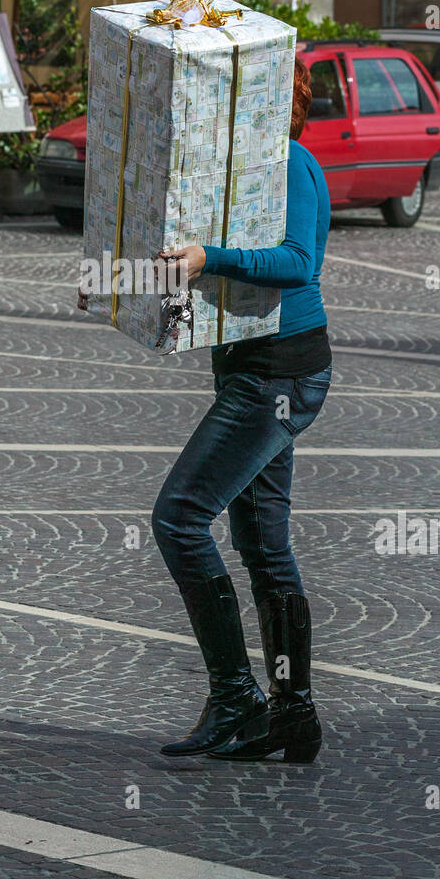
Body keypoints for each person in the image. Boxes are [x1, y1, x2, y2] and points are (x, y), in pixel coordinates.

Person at [152, 58, 332, 763]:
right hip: (253, 369)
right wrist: (120, 283)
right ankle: (292, 714)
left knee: (178, 517)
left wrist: (211, 258)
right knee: (262, 545)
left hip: (280, 375)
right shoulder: (237, 172)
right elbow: (187, 260)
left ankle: (236, 695)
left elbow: (296, 262)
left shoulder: (289, 162)